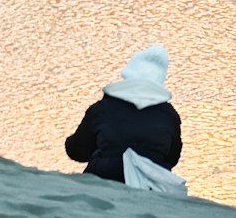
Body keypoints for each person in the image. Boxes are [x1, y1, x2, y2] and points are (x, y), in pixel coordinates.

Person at [65, 43, 182, 183]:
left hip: (104, 178)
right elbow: (172, 158)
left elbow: (77, 152)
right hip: (151, 184)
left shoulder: (102, 108)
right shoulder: (169, 115)